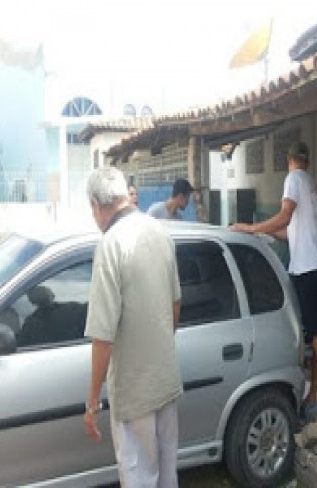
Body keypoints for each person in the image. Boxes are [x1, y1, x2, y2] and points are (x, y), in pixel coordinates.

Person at [230, 141, 317, 424]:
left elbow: (284, 216)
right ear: (307, 160)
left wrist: (251, 227)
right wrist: (264, 234)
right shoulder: (312, 185)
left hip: (307, 269)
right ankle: (314, 393)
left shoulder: (293, 179)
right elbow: (291, 232)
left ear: (289, 159)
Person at [83, 166, 183, 487]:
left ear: (98, 205)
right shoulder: (160, 231)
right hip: (166, 381)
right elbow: (175, 306)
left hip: (134, 392)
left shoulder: (110, 245)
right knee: (167, 474)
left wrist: (91, 402)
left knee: (139, 477)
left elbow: (103, 337)